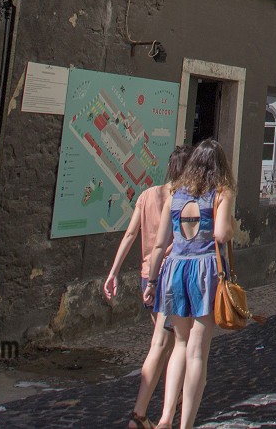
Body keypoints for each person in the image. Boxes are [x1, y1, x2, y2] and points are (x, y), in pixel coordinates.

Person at [142, 140, 236, 429]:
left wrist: (152, 281)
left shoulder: (176, 194)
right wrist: (231, 224)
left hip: (175, 269)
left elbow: (160, 245)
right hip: (204, 269)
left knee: (179, 344)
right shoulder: (222, 192)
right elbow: (220, 234)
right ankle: (186, 424)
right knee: (198, 352)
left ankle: (165, 417)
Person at [104, 145, 191, 429]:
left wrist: (114, 272)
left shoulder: (146, 196)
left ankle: (161, 407)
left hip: (147, 275)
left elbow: (130, 235)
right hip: (169, 277)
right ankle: (147, 413)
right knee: (169, 344)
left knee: (164, 343)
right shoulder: (182, 200)